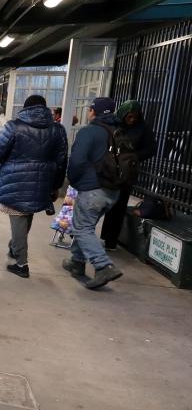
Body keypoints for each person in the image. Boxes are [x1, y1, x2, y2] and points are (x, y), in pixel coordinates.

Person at [0, 95, 68, 278]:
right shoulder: (58, 130)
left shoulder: (14, 126)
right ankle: (14, 247)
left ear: (25, 108)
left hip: (15, 181)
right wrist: (56, 185)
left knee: (18, 219)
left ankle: (21, 264)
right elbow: (62, 160)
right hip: (43, 181)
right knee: (26, 216)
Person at [62, 97, 125, 289]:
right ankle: (77, 261)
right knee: (86, 226)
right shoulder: (119, 132)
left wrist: (72, 180)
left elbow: (77, 161)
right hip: (113, 191)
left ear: (92, 111)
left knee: (82, 228)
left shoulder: (89, 132)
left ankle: (103, 266)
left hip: (92, 189)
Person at [100, 100, 156, 250]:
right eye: (129, 117)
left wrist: (133, 157)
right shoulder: (115, 126)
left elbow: (150, 149)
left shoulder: (143, 129)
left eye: (135, 117)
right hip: (110, 170)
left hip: (127, 173)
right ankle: (103, 236)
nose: (132, 120)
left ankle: (111, 240)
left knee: (119, 206)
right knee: (106, 204)